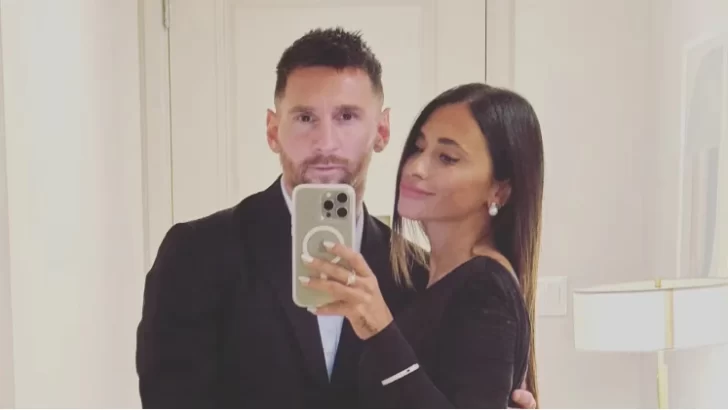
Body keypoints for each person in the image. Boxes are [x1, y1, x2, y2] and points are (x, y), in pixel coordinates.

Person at [135, 27, 536, 408]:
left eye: (346, 116)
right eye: (305, 118)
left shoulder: (417, 275)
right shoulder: (196, 253)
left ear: (382, 131)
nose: (325, 143)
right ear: (273, 131)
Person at [299, 83, 543, 408]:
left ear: (499, 190)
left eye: (447, 158)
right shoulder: (424, 279)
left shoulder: (486, 289)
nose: (415, 168)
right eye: (418, 148)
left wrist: (380, 331)